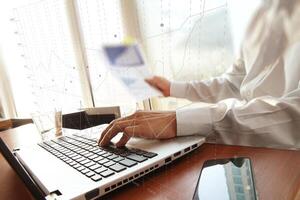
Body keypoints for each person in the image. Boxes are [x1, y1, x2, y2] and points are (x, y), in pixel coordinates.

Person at [99, 0, 300, 149]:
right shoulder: (263, 13)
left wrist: (178, 121)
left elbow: (294, 118)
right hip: (251, 147)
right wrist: (173, 88)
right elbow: (235, 83)